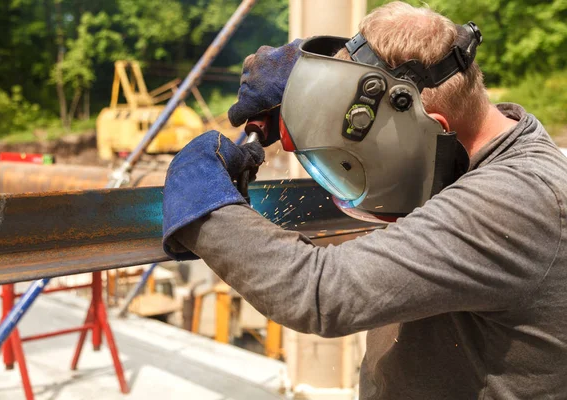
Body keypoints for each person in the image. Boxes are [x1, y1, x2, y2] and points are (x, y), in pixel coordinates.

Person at [162, 2, 567, 399]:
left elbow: (318, 292)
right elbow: (403, 70)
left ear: (430, 128)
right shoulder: (487, 147)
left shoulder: (516, 200)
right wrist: (318, 79)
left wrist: (202, 198)